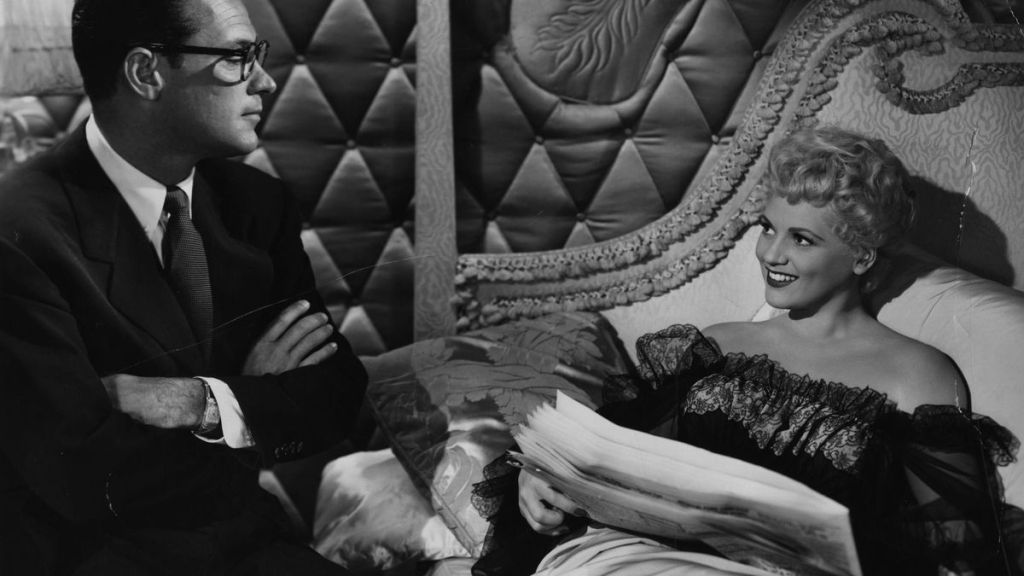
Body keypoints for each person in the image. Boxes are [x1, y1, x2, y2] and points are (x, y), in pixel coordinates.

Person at [477, 126, 1020, 575]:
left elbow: (958, 551)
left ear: (861, 256)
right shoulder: (722, 344)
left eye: (802, 239)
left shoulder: (915, 375)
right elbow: (611, 453)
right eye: (767, 227)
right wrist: (542, 478)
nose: (771, 254)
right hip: (638, 557)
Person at [0, 0, 367, 573]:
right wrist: (256, 400)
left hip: (248, 544)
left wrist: (204, 403)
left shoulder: (257, 204)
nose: (265, 82)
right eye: (237, 58)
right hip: (89, 559)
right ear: (146, 72)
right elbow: (85, 476)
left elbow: (335, 394)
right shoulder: (18, 230)